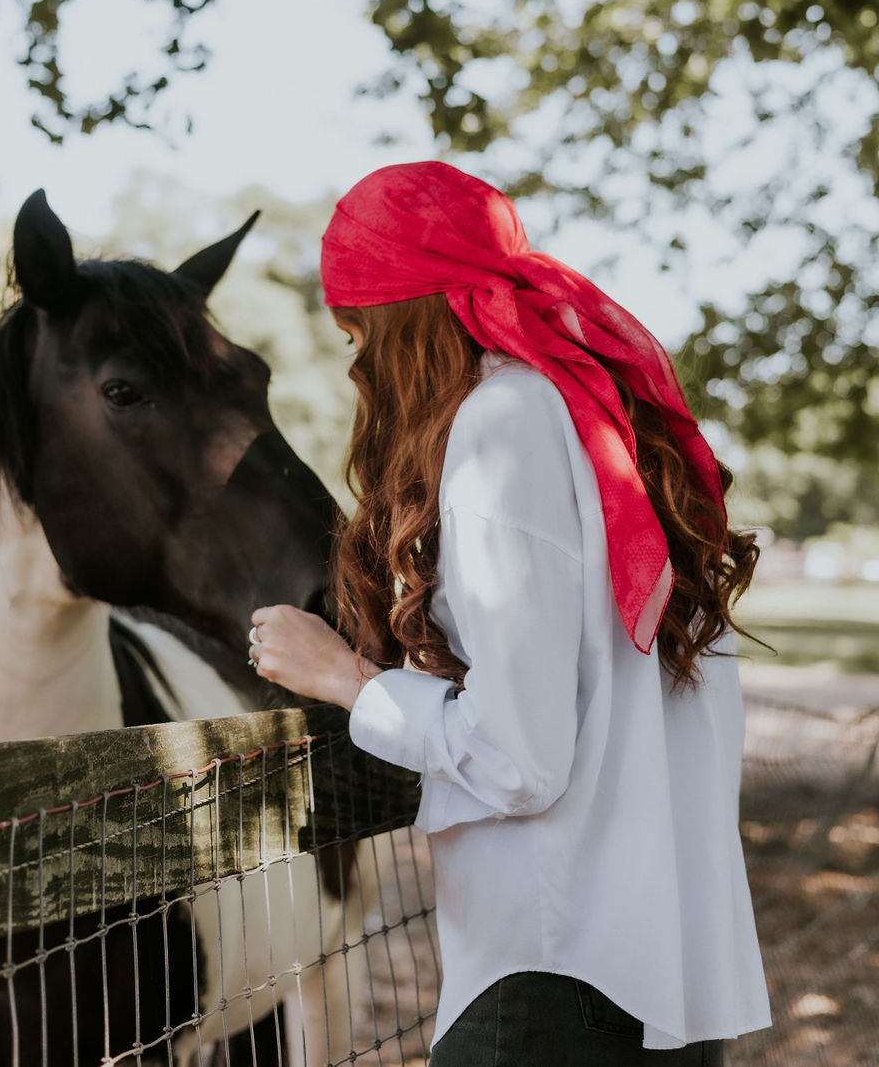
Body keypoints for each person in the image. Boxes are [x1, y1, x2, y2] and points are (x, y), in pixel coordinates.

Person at [248, 161, 771, 1063]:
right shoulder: (609, 423)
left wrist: (346, 680)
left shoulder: (500, 427)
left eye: (357, 332)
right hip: (665, 968)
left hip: (554, 971)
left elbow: (521, 760)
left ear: (401, 320)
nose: (359, 364)